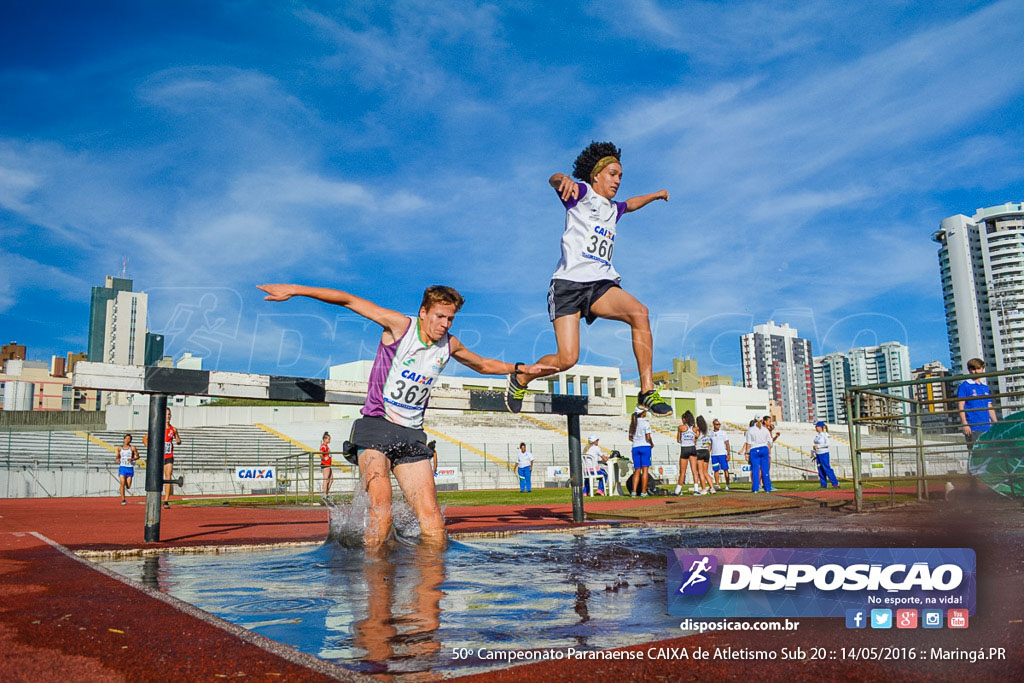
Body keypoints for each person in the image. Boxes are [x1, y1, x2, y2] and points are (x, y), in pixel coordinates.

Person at [258, 282, 556, 550]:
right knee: (382, 512)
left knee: (433, 522)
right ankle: (375, 594)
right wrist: (296, 290)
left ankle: (429, 601)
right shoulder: (399, 326)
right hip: (376, 427)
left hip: (412, 435)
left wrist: (519, 370)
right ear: (423, 312)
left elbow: (481, 364)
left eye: (451, 318)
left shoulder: (449, 344)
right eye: (440, 316)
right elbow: (348, 300)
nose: (445, 324)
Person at [504, 142, 672, 418]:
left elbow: (631, 204)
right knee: (567, 359)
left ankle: (646, 392)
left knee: (640, 312)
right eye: (613, 174)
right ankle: (522, 377)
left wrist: (656, 195)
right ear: (596, 175)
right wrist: (562, 180)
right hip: (568, 286)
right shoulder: (580, 194)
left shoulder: (612, 209)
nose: (618, 181)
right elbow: (554, 179)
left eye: (620, 176)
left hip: (599, 286)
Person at [143, 407, 182, 509]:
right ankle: (155, 497)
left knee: (168, 476)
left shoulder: (173, 429)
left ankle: (166, 500)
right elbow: (145, 439)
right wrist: (152, 449)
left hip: (169, 456)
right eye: (166, 414)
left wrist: (178, 440)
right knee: (156, 477)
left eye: (169, 414)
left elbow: (178, 439)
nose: (168, 416)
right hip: (158, 457)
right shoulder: (157, 427)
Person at [958, 357, 999, 452]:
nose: (975, 371)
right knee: (975, 454)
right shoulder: (964, 386)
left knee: (989, 453)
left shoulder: (985, 388)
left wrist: (996, 423)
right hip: (973, 426)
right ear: (969, 370)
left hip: (987, 426)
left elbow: (989, 406)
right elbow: (961, 405)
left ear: (982, 369)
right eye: (973, 369)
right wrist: (965, 423)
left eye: (978, 368)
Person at [739, 414, 775, 493]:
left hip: (754, 449)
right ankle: (767, 488)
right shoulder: (765, 430)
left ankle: (755, 488)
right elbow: (770, 441)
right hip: (764, 449)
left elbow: (748, 442)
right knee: (765, 470)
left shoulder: (750, 430)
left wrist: (747, 453)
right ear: (762, 421)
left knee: (755, 470)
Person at [628, 406, 653, 497]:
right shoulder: (646, 423)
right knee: (645, 470)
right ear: (642, 413)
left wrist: (636, 440)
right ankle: (643, 492)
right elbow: (648, 437)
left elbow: (630, 437)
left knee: (637, 470)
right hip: (645, 446)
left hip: (635, 447)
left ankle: (633, 491)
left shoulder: (633, 424)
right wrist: (651, 443)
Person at [673, 411, 696, 495]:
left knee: (682, 471)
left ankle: (677, 490)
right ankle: (696, 489)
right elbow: (695, 439)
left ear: (684, 419)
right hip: (692, 448)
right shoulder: (695, 428)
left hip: (684, 449)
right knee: (694, 470)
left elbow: (678, 440)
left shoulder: (681, 427)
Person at [812, 421, 839, 489]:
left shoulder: (825, 435)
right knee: (820, 469)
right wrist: (814, 454)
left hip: (824, 454)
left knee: (826, 468)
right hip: (818, 454)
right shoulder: (817, 435)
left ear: (820, 427)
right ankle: (823, 484)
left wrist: (819, 447)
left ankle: (835, 483)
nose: (816, 428)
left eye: (817, 426)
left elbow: (827, 444)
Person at [693, 415, 715, 494]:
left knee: (700, 472)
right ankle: (712, 488)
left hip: (699, 450)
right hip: (706, 451)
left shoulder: (698, 431)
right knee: (706, 472)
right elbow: (710, 443)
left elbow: (694, 440)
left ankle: (704, 489)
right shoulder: (707, 431)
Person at [116, 433, 140, 505]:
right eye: (126, 438)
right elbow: (117, 457)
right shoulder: (120, 448)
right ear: (124, 439)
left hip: (129, 467)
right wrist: (117, 459)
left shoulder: (132, 448)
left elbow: (138, 456)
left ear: (130, 440)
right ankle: (123, 499)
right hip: (122, 467)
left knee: (128, 486)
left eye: (129, 439)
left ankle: (123, 487)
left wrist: (132, 459)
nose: (127, 440)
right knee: (122, 483)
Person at [709, 419, 732, 491]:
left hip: (722, 454)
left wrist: (728, 453)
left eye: (719, 424)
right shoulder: (711, 433)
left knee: (725, 469)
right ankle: (717, 484)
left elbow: (727, 443)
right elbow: (710, 444)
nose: (718, 425)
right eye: (716, 424)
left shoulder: (723, 433)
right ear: (713, 425)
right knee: (716, 470)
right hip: (714, 454)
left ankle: (727, 484)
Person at [320, 432, 334, 498]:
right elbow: (320, 454)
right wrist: (324, 458)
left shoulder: (326, 446)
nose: (329, 440)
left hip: (328, 464)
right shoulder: (323, 446)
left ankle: (326, 492)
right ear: (325, 439)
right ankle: (324, 494)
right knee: (326, 479)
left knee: (331, 479)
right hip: (325, 464)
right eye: (328, 439)